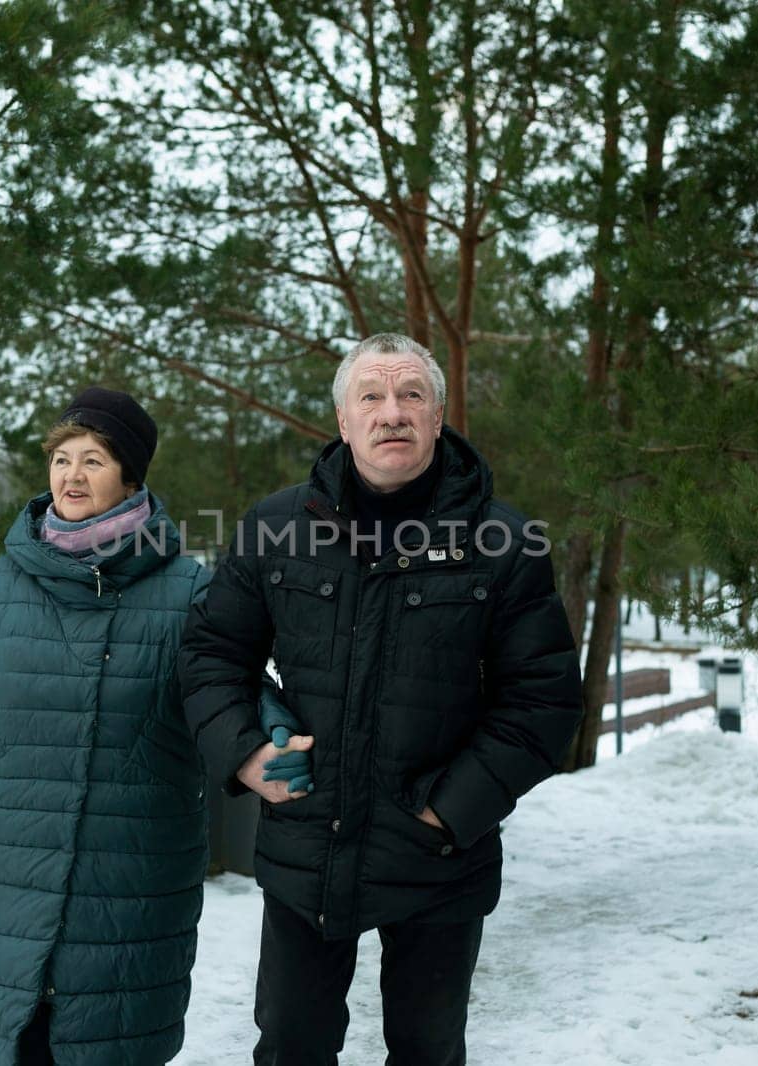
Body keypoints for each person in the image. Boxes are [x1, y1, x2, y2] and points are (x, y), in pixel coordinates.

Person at [180, 332, 584, 1066]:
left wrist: (448, 810)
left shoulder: (505, 542)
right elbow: (210, 655)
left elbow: (543, 701)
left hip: (438, 854)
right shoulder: (276, 528)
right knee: (292, 1047)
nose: (390, 412)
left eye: (410, 396)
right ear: (343, 421)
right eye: (371, 396)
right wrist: (244, 755)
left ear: (438, 418)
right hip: (308, 845)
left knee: (427, 1052)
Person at [0, 387, 210, 1066]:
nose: (71, 475)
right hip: (16, 870)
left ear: (131, 478)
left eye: (94, 460)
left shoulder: (187, 591)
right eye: (62, 458)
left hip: (131, 883)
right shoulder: (3, 586)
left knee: (113, 1042)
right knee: (18, 1040)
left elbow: (233, 698)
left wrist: (273, 738)